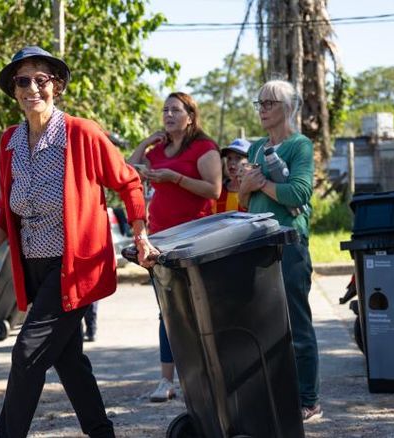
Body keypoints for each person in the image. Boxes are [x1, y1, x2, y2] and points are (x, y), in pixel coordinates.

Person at [0, 46, 156, 438]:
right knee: (69, 359)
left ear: (55, 86)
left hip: (73, 266)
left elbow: (128, 181)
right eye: (23, 81)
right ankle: (101, 431)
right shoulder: (9, 142)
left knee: (28, 353)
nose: (32, 88)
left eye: (41, 80)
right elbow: (9, 208)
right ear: (15, 91)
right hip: (33, 267)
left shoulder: (81, 133)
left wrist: (139, 232)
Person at [128, 91, 222, 403]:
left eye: (175, 110)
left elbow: (214, 189)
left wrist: (175, 178)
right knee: (166, 312)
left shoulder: (204, 148)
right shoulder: (158, 150)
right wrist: (145, 143)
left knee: (199, 310)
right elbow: (128, 172)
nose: (168, 115)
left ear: (190, 116)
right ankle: (166, 381)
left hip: (195, 239)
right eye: (165, 110)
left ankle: (206, 376)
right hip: (160, 242)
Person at [238, 79, 322, 422]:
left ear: (288, 108)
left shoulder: (300, 146)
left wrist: (265, 185)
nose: (262, 109)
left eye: (269, 103)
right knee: (262, 325)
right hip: (257, 243)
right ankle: (274, 393)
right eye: (259, 103)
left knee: (296, 324)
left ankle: (308, 399)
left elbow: (299, 194)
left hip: (289, 245)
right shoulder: (256, 148)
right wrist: (246, 186)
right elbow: (244, 200)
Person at [213, 138, 250, 213]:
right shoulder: (218, 191)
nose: (232, 162)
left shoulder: (254, 192)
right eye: (229, 158)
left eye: (238, 158)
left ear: (250, 160)